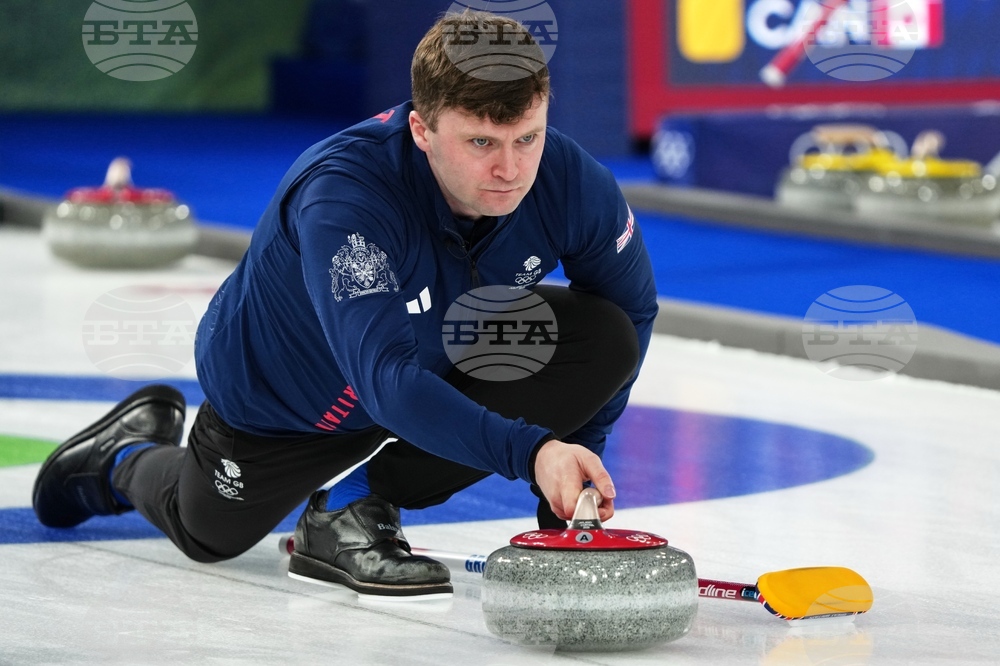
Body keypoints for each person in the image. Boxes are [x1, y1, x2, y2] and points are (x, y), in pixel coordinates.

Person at [33, 10, 658, 598]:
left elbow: (631, 309)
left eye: (528, 138)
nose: (510, 169)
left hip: (434, 358)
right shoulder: (345, 197)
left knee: (604, 336)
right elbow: (383, 378)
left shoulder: (568, 180)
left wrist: (573, 487)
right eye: (480, 144)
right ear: (421, 129)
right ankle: (123, 454)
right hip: (287, 400)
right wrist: (533, 451)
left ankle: (352, 503)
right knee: (208, 534)